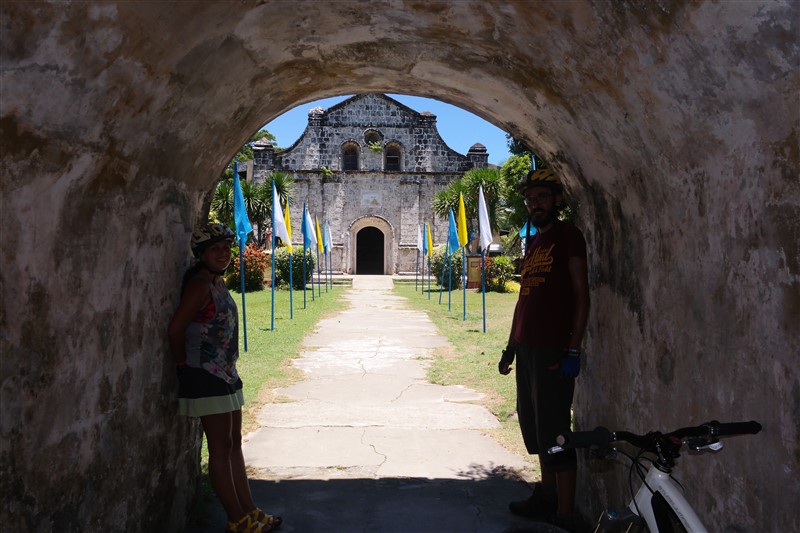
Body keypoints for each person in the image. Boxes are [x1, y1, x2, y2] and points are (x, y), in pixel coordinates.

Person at [168, 223, 282, 533]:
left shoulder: (217, 283)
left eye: (226, 248)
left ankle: (250, 509)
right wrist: (183, 365)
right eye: (215, 249)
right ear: (201, 254)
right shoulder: (200, 286)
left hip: (226, 373)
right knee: (219, 448)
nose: (223, 253)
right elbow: (176, 328)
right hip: (205, 374)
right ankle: (237, 518)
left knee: (233, 444)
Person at [499, 169, 590, 531]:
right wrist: (510, 348)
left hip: (553, 348)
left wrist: (572, 350)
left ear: (556, 200)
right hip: (527, 348)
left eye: (541, 197)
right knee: (535, 426)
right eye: (530, 199)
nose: (534, 204)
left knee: (555, 431)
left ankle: (565, 512)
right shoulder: (534, 243)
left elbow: (581, 296)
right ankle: (547, 495)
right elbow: (524, 301)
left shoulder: (569, 237)